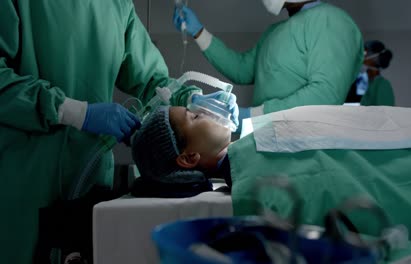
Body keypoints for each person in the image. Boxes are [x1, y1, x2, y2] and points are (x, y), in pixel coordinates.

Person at [0, 1, 238, 263]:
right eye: (194, 116)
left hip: (88, 178)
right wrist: (71, 111)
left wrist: (191, 98)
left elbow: (156, 84)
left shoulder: (116, 6)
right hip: (23, 177)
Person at [131, 105, 411, 247]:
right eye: (192, 115)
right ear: (189, 157)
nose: (204, 110)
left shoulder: (251, 145)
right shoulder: (256, 181)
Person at [173, 0, 364, 131]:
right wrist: (199, 32)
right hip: (266, 142)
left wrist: (255, 116)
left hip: (306, 149)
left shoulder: (331, 20)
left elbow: (326, 95)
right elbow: (242, 71)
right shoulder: (275, 31)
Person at [358, 40, 395, 106]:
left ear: (375, 58)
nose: (361, 56)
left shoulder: (382, 85)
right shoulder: (362, 83)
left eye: (365, 53)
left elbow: (385, 114)